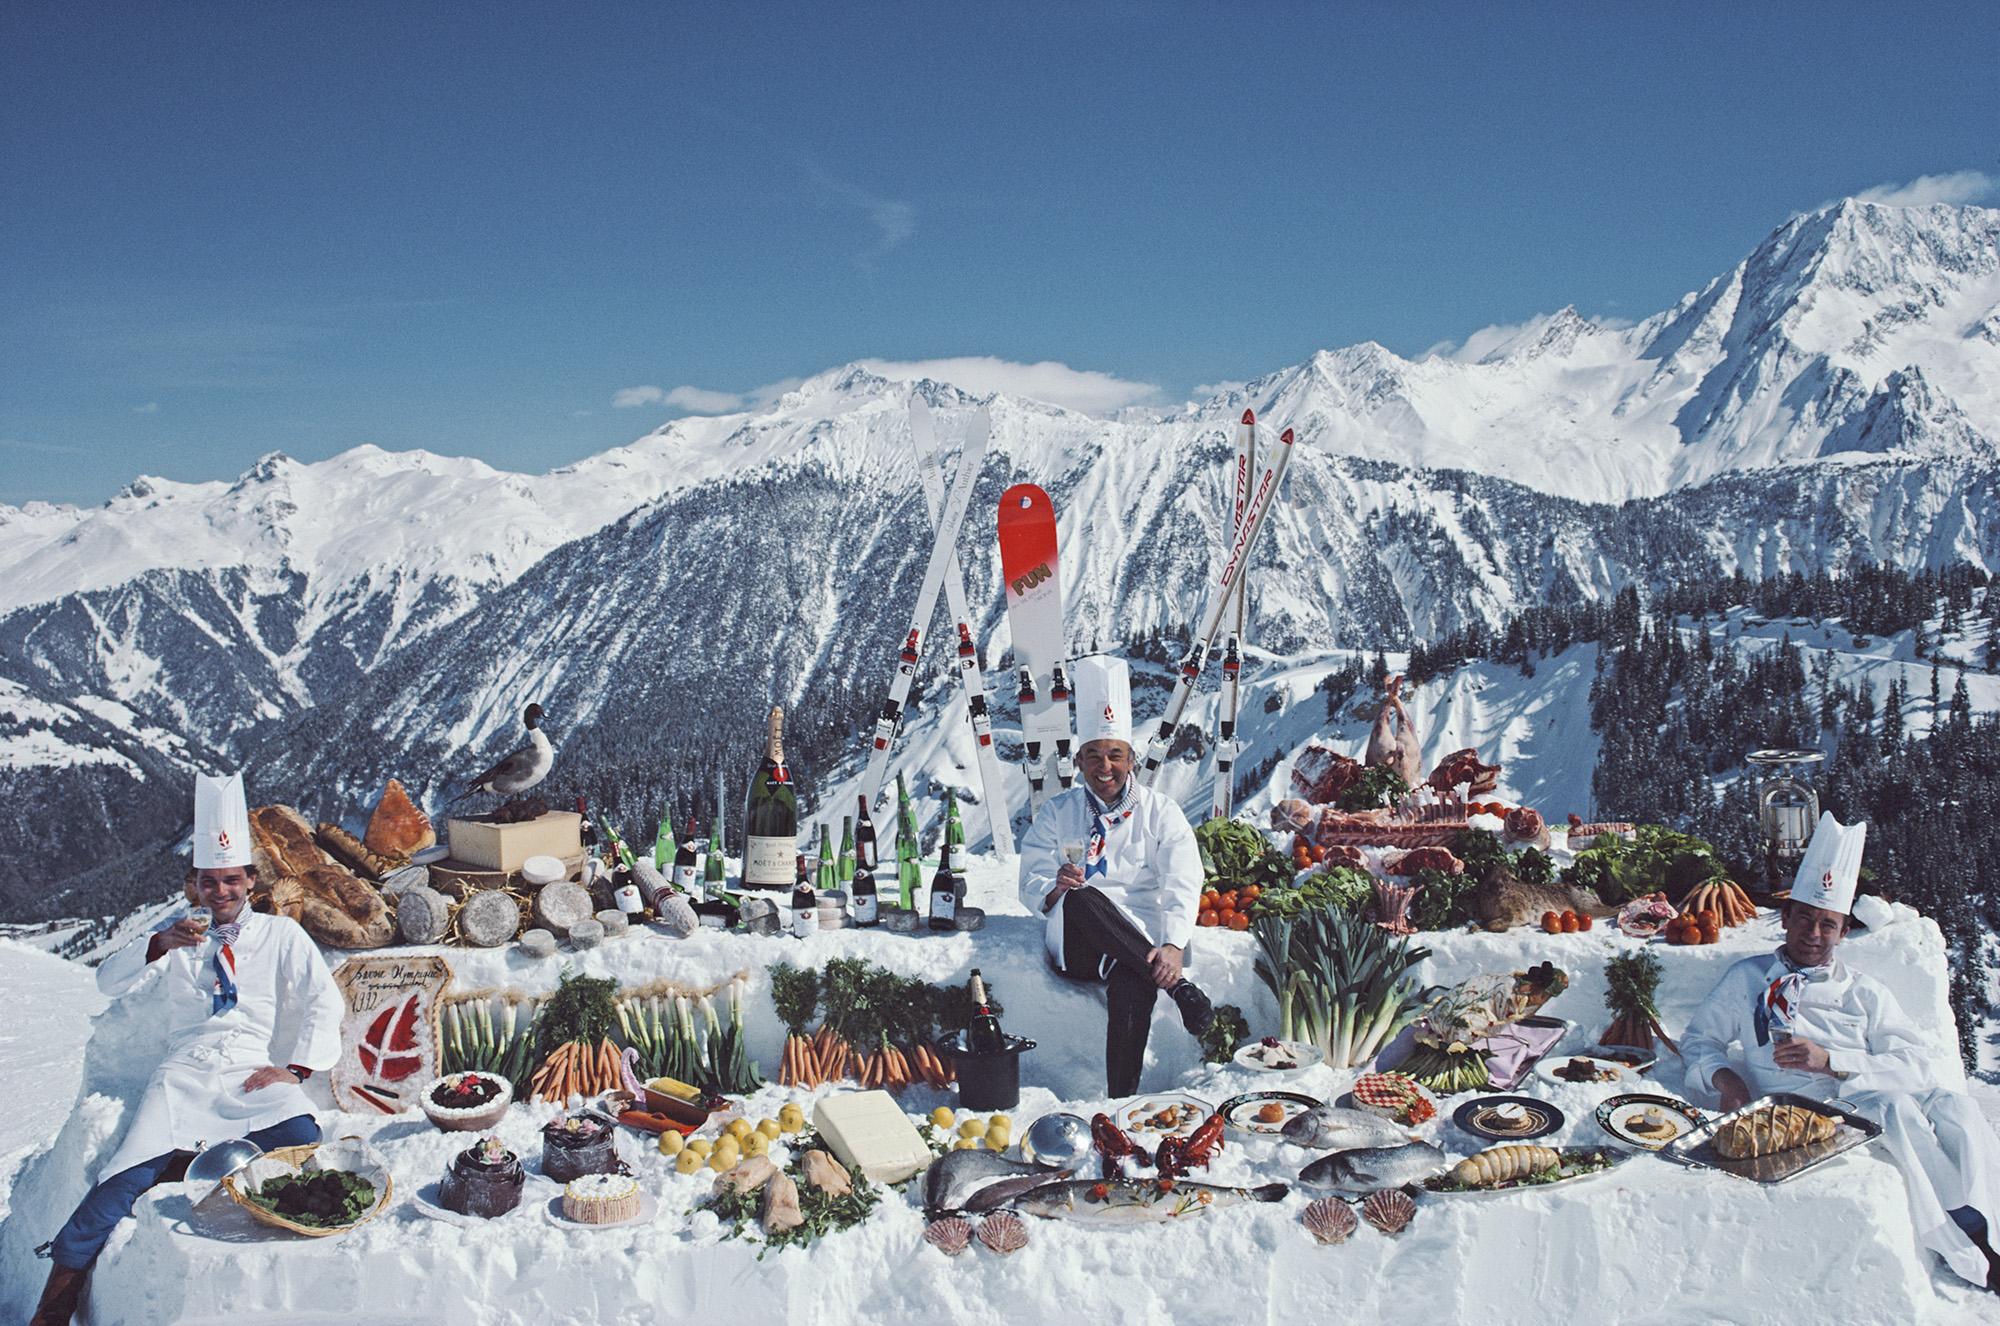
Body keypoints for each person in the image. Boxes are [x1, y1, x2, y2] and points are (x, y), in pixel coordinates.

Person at [31, 773, 345, 1326]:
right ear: (192, 885)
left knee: (302, 1134)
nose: (220, 892)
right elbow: (106, 981)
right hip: (183, 1074)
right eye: (208, 882)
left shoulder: (280, 935)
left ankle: (188, 1160)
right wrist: (157, 944)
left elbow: (323, 999)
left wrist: (294, 1069)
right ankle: (52, 1309)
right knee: (119, 1181)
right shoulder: (178, 938)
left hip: (249, 1072)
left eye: (231, 880)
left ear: (251, 880)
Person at [1683, 812, 2000, 1292]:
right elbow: (1699, 1042)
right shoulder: (1747, 980)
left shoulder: (1864, 992)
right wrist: (1727, 1079)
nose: (1814, 933)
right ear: (1786, 918)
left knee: (1957, 1106)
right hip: (1811, 1111)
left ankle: (1989, 1225)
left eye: (1827, 924)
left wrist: (1832, 1060)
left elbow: (1915, 1063)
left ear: (1842, 932)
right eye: (1805, 918)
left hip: (1864, 1085)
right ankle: (1964, 1245)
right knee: (1896, 1109)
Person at [1019, 654, 1213, 1097]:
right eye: (1093, 756)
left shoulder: (1161, 812)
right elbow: (1029, 875)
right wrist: (1053, 889)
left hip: (1139, 941)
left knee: (1133, 982)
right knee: (1083, 895)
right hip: (1078, 943)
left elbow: (1185, 877)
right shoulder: (1058, 811)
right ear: (1080, 761)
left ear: (1132, 759)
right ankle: (1179, 989)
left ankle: (1120, 1103)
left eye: (1114, 755)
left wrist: (1175, 943)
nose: (1104, 767)